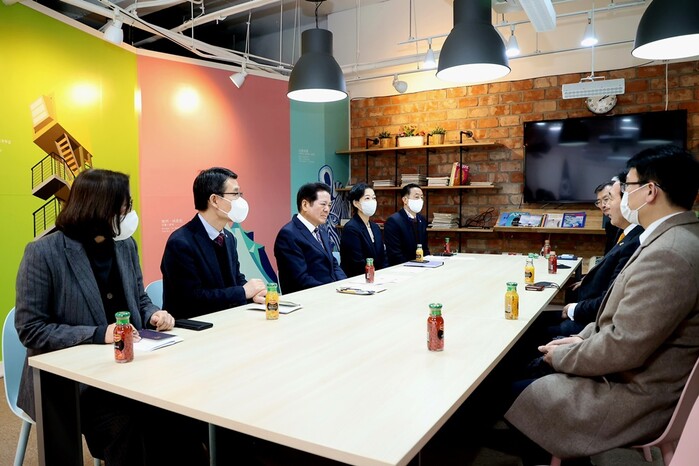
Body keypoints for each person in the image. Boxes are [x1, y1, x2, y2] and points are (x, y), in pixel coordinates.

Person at [505, 145, 699, 461]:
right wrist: (581, 338)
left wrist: (563, 356)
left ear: (650, 191)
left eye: (628, 187)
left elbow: (623, 346)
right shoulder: (674, 237)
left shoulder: (669, 253)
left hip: (634, 395)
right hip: (636, 375)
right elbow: (622, 319)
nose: (623, 196)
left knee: (512, 387)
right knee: (525, 370)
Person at [14, 169, 207, 466]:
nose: (129, 212)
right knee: (130, 426)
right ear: (99, 207)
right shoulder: (44, 253)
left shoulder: (124, 245)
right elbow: (31, 329)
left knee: (183, 411)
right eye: (125, 205)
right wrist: (98, 333)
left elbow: (139, 299)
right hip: (73, 382)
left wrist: (154, 315)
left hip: (133, 368)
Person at [161, 167, 266, 318]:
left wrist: (253, 293)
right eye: (235, 194)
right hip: (194, 325)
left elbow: (235, 278)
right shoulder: (180, 243)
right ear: (214, 200)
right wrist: (243, 292)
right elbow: (192, 298)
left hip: (226, 318)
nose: (240, 200)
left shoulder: (229, 238)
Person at [552, 174, 644, 336]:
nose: (603, 206)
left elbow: (610, 299)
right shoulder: (621, 231)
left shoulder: (635, 240)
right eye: (599, 202)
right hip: (592, 307)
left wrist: (574, 309)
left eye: (608, 199)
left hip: (598, 321)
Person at [274, 182, 347, 294]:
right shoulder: (288, 235)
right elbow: (300, 279)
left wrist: (345, 285)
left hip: (330, 294)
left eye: (329, 205)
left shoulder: (321, 231)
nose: (327, 209)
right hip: (308, 298)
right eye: (323, 204)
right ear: (305, 205)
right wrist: (331, 291)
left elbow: (333, 264)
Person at [340, 183, 388, 277]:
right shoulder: (351, 228)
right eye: (367, 198)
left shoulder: (375, 227)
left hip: (378, 277)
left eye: (374, 198)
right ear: (356, 203)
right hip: (359, 278)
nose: (372, 201)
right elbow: (356, 263)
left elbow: (383, 256)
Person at [384, 183, 430, 265]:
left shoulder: (421, 220)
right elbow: (395, 254)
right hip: (402, 266)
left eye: (421, 197)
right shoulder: (394, 221)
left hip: (421, 265)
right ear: (405, 200)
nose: (420, 200)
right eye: (416, 197)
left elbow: (425, 249)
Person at [594, 181, 622, 254]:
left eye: (606, 199)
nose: (603, 205)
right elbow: (608, 254)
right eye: (599, 202)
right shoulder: (610, 225)